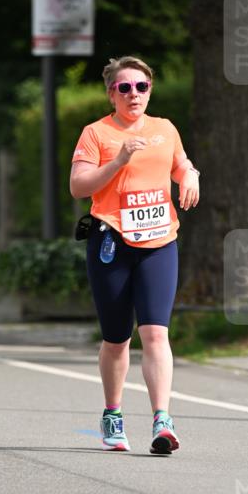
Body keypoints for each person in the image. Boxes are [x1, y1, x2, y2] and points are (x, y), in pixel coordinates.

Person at [70, 55, 199, 454]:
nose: (134, 94)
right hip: (112, 243)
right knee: (117, 339)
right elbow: (78, 186)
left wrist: (191, 174)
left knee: (156, 332)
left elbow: (180, 164)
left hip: (160, 241)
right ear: (112, 93)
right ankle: (113, 412)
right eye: (125, 88)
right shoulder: (96, 134)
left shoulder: (165, 129)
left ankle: (163, 419)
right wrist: (120, 159)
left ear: (150, 91)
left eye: (141, 87)